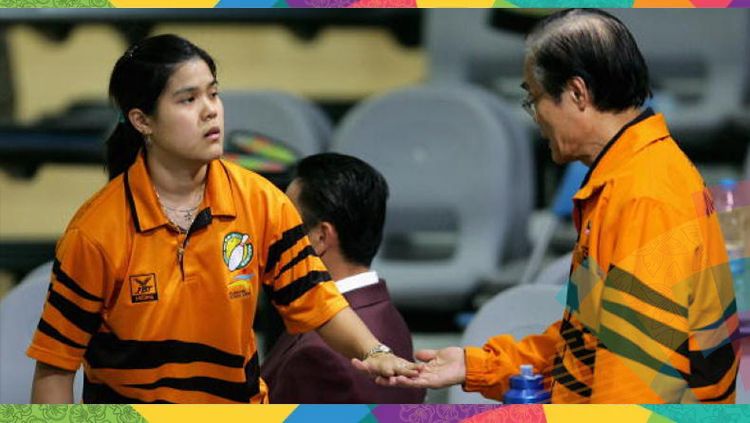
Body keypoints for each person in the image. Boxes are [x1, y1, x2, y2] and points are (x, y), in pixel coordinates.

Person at [26, 34, 417, 404]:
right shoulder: (95, 232)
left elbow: (317, 301)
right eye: (188, 99)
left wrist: (376, 352)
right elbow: (55, 368)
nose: (211, 110)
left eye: (213, 93)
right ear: (142, 121)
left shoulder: (262, 201)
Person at [378, 9, 740, 404]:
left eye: (535, 100)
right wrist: (476, 365)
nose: (536, 118)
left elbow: (634, 390)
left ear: (577, 94)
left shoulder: (644, 198)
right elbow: (585, 346)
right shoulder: (631, 177)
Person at [261, 153, 426, 404]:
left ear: (320, 237)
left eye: (286, 225)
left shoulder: (317, 355)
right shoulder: (385, 313)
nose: (274, 236)